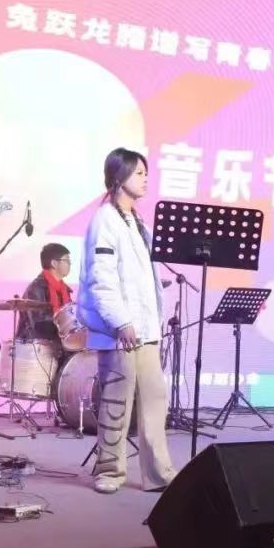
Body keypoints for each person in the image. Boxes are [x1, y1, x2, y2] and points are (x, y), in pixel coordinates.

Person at [76, 148, 175, 494]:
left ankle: (159, 473)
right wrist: (120, 321)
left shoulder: (137, 222)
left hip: (145, 331)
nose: (146, 179)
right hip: (119, 331)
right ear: (119, 177)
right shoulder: (105, 219)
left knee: (154, 401)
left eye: (146, 173)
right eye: (139, 173)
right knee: (117, 402)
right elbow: (101, 278)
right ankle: (109, 470)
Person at [17, 243, 72, 346]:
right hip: (35, 347)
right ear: (54, 263)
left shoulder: (64, 290)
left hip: (56, 344)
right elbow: (39, 324)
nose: (70, 264)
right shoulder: (36, 288)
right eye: (67, 260)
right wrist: (65, 324)